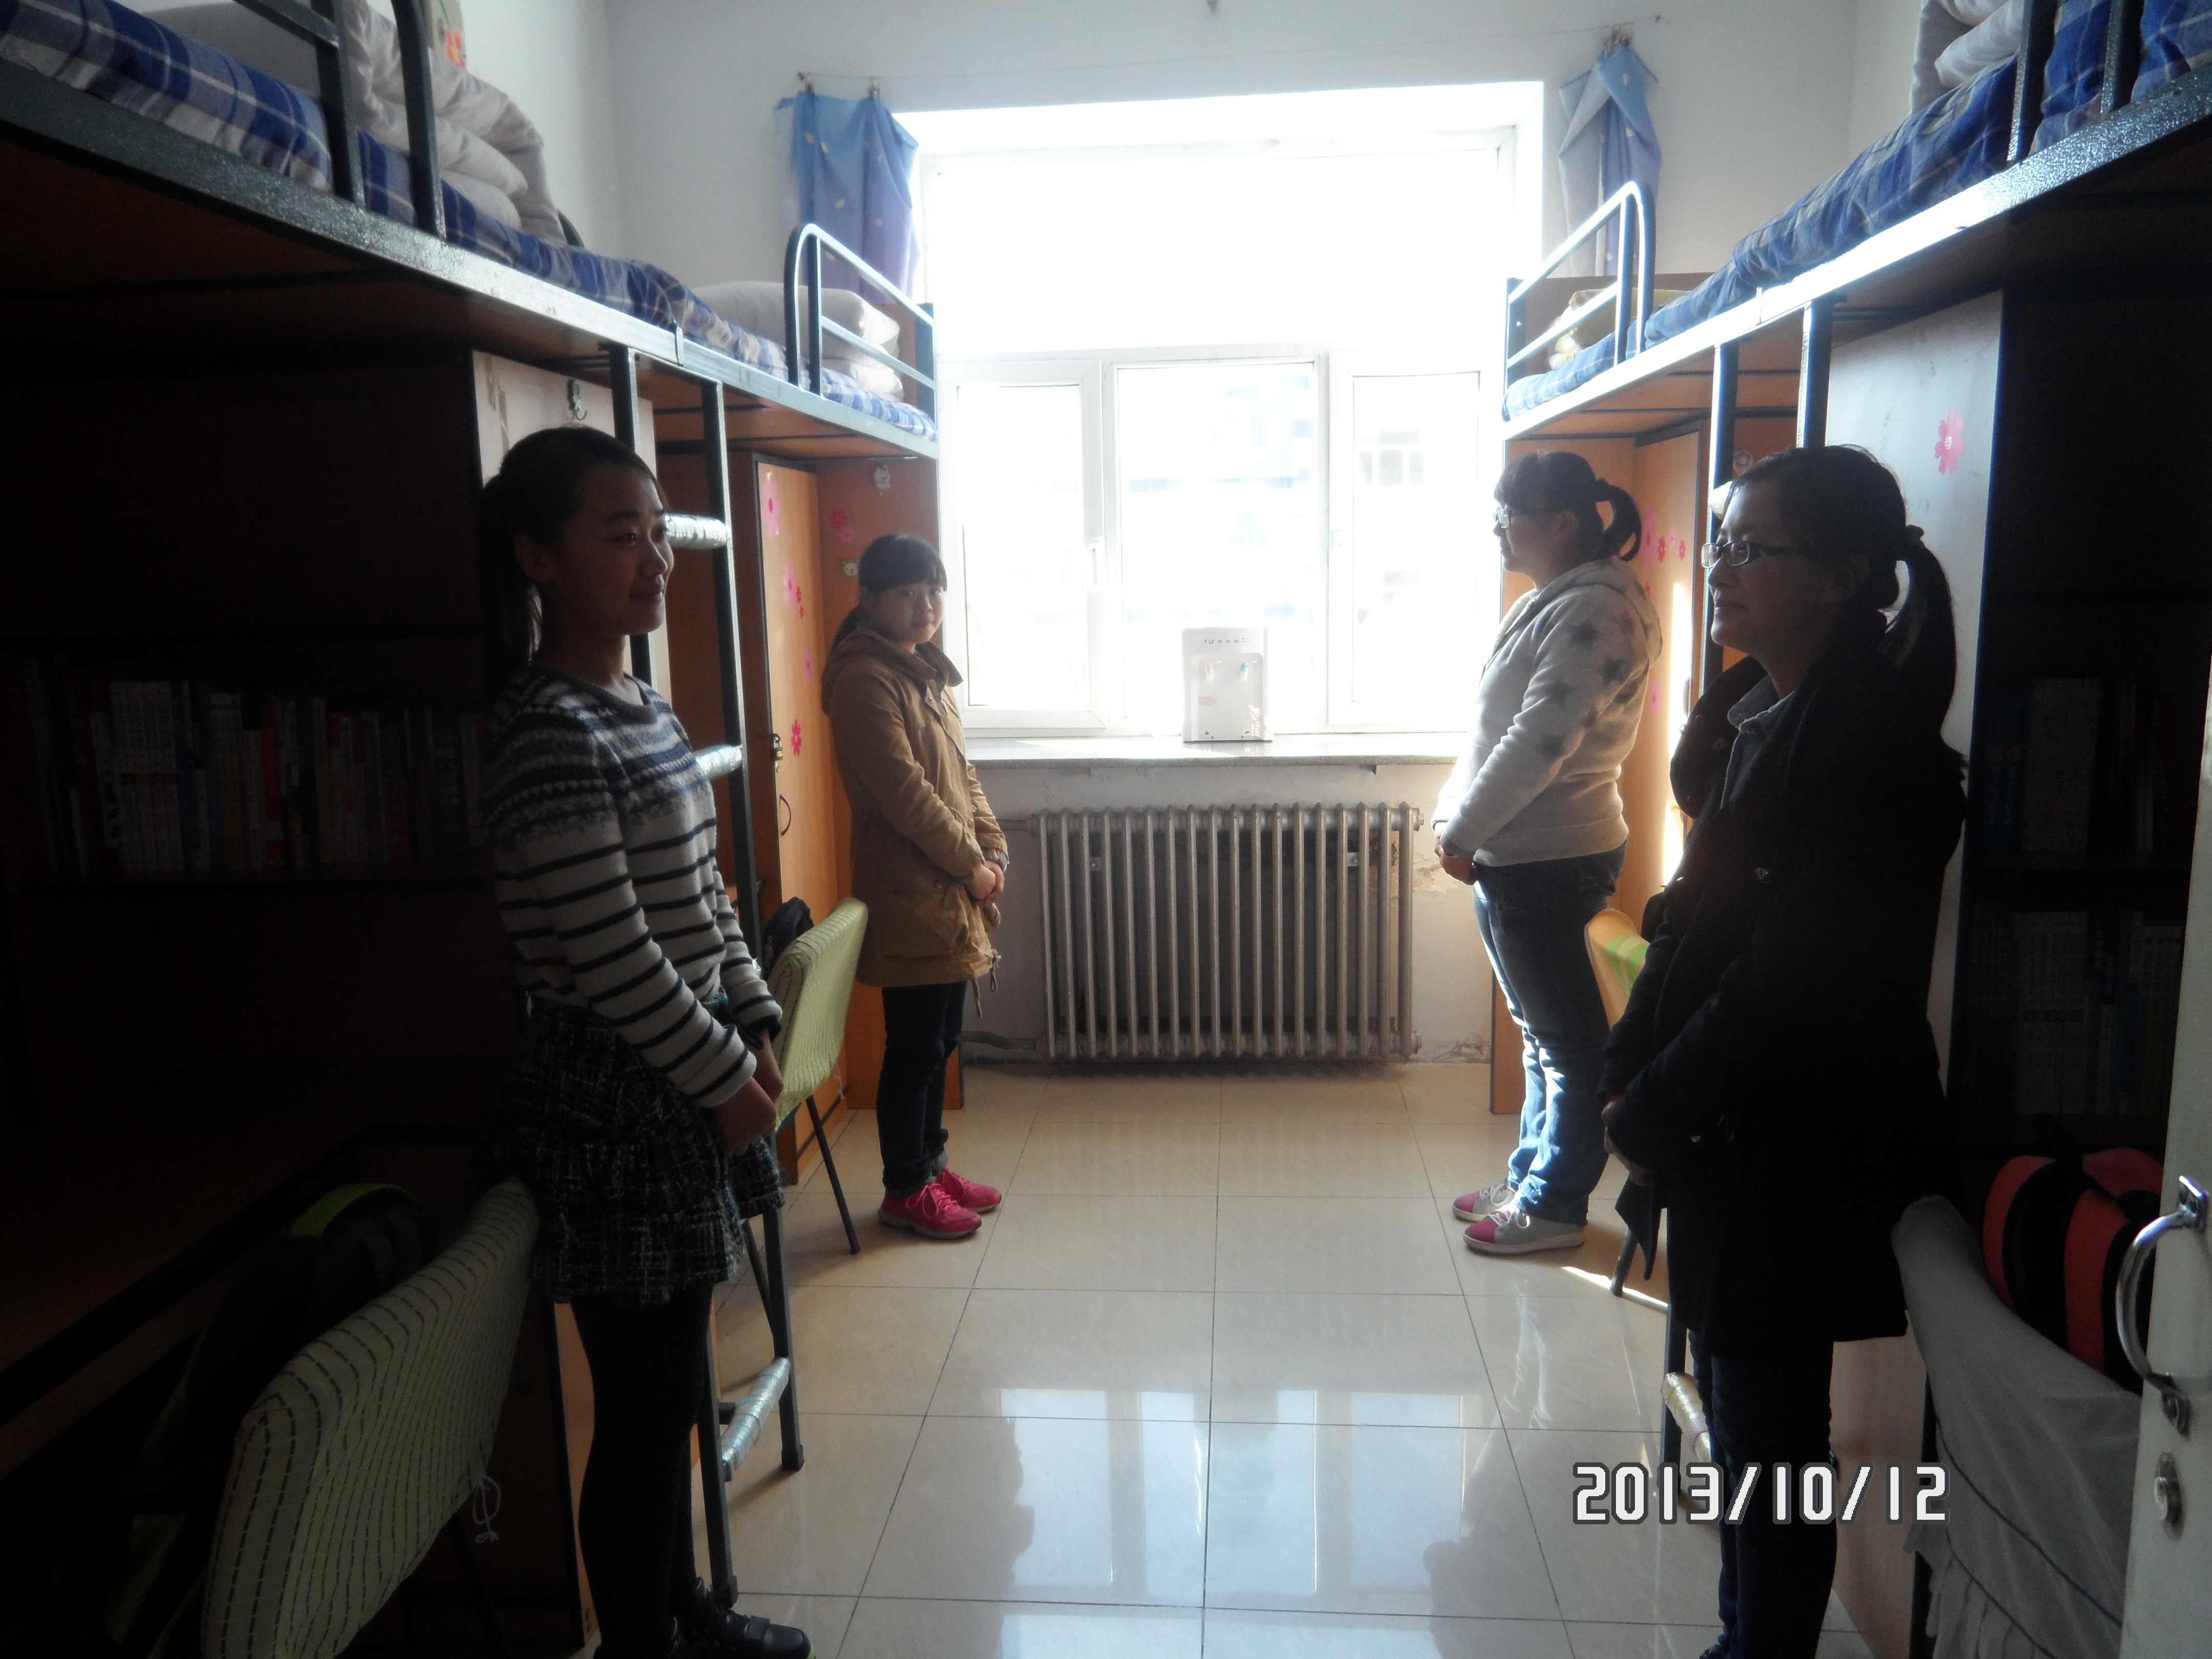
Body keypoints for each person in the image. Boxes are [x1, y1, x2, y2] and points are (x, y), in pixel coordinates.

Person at [1599, 446, 1966, 1658]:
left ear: (1844, 577)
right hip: (1729, 1127)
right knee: (1747, 1407)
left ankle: (1760, 1648)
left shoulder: (1879, 758)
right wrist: (1638, 1072)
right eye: (1722, 544)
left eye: (1753, 549)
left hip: (1793, 1139)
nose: (1722, 568)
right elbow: (1699, 920)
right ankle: (1744, 1635)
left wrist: (1653, 1101)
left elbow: (1788, 985)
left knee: (1771, 1432)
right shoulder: (1767, 713)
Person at [475, 426, 812, 1659]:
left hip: (684, 1067)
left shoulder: (644, 706)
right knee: (639, 1408)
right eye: (622, 535)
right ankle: (647, 1643)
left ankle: (687, 1616)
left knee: (672, 1392)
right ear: (538, 557)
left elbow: (705, 894)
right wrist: (726, 1078)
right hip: (615, 1097)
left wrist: (755, 1012)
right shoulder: (548, 732)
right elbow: (614, 955)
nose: (655, 559)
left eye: (660, 533)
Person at [1436, 450, 1658, 1255]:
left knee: (1568, 1046)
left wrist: (1463, 831)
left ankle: (1557, 1204)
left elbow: (1540, 742)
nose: (1498, 529)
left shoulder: (1597, 607)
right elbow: (1492, 728)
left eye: (1509, 515)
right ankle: (1532, 1175)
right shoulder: (1558, 598)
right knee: (1540, 1034)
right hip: (1519, 855)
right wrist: (1456, 818)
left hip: (1549, 858)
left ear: (1563, 523)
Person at [821, 534, 1009, 1241]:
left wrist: (992, 846)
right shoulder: (866, 680)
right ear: (869, 599)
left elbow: (962, 776)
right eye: (907, 593)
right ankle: (905, 1187)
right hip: (910, 893)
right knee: (915, 1047)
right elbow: (907, 797)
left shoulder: (925, 671)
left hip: (950, 888)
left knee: (942, 1039)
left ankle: (932, 1167)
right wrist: (972, 867)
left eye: (934, 590)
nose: (926, 605)